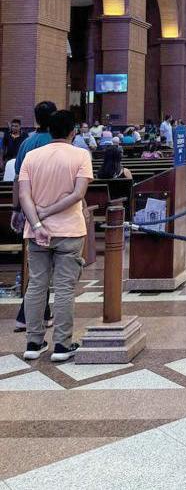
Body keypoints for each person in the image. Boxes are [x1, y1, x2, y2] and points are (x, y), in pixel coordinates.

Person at [18, 109, 93, 361]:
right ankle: (61, 345)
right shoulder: (81, 155)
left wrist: (38, 223)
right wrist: (49, 212)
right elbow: (78, 194)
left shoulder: (31, 156)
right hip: (70, 230)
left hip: (36, 232)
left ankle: (33, 342)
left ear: (49, 131)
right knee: (64, 288)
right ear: (73, 132)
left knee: (37, 285)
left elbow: (23, 196)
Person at [10, 101, 58, 332]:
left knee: (41, 266)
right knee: (45, 270)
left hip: (31, 210)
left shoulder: (27, 143)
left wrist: (16, 209)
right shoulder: (58, 143)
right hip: (55, 212)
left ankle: (44, 313)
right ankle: (25, 315)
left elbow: (19, 180)